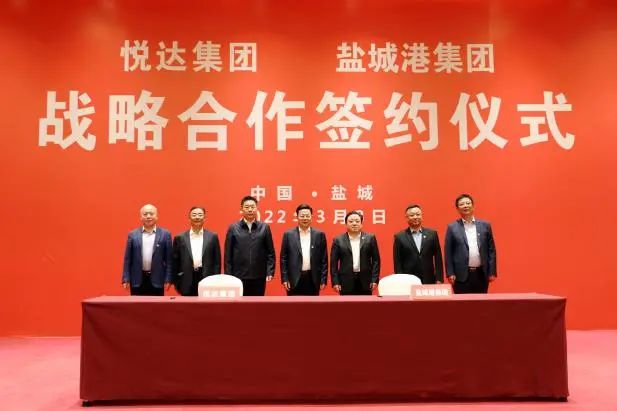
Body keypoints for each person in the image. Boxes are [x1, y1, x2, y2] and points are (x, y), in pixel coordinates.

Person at [444, 194, 497, 293]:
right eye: (462, 204)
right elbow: (448, 252)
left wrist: (492, 271)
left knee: (481, 301)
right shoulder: (452, 227)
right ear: (457, 209)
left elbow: (491, 250)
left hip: (481, 274)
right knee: (462, 302)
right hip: (460, 275)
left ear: (473, 206)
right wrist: (450, 273)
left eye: (468, 203)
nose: (465, 206)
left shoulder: (485, 225)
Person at [224, 196, 276, 296]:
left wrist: (270, 271)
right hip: (238, 276)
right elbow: (228, 255)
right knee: (239, 304)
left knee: (257, 304)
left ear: (256, 208)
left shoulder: (264, 227)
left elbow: (270, 252)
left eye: (252, 207)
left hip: (259, 275)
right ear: (241, 209)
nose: (250, 210)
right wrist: (228, 275)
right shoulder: (233, 228)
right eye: (247, 207)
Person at [121, 204, 173, 296]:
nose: (148, 216)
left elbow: (169, 260)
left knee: (156, 305)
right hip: (137, 279)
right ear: (141, 217)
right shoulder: (132, 235)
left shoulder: (165, 235)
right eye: (145, 214)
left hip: (157, 279)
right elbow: (128, 259)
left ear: (156, 216)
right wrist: (126, 278)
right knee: (137, 305)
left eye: (151, 214)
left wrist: (168, 279)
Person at [280, 204, 328, 296]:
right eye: (302, 216)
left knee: (312, 304)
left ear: (311, 217)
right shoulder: (288, 235)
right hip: (294, 279)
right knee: (294, 304)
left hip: (313, 279)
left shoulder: (319, 235)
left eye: (307, 216)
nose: (305, 218)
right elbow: (283, 259)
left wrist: (323, 279)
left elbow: (324, 260)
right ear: (297, 217)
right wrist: (285, 279)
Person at [172, 206, 221, 296]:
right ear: (189, 218)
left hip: (206, 277)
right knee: (187, 304)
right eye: (194, 215)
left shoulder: (212, 236)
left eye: (200, 215)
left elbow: (217, 262)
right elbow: (175, 261)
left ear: (204, 218)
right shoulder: (180, 237)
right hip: (186, 278)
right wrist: (177, 281)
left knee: (206, 303)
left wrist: (215, 279)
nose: (197, 217)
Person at [330, 211, 380, 295]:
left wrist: (374, 279)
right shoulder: (338, 240)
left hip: (366, 281)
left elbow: (376, 260)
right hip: (345, 281)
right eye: (351, 221)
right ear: (346, 224)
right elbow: (333, 264)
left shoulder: (370, 238)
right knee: (347, 303)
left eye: (357, 221)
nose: (354, 223)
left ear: (361, 224)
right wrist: (335, 282)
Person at [393, 204, 444, 284]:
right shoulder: (399, 237)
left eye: (418, 214)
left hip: (429, 279)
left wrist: (439, 278)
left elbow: (438, 258)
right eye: (412, 215)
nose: (415, 217)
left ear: (421, 216)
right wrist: (400, 281)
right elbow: (397, 262)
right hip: (408, 280)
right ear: (407, 218)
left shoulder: (432, 234)